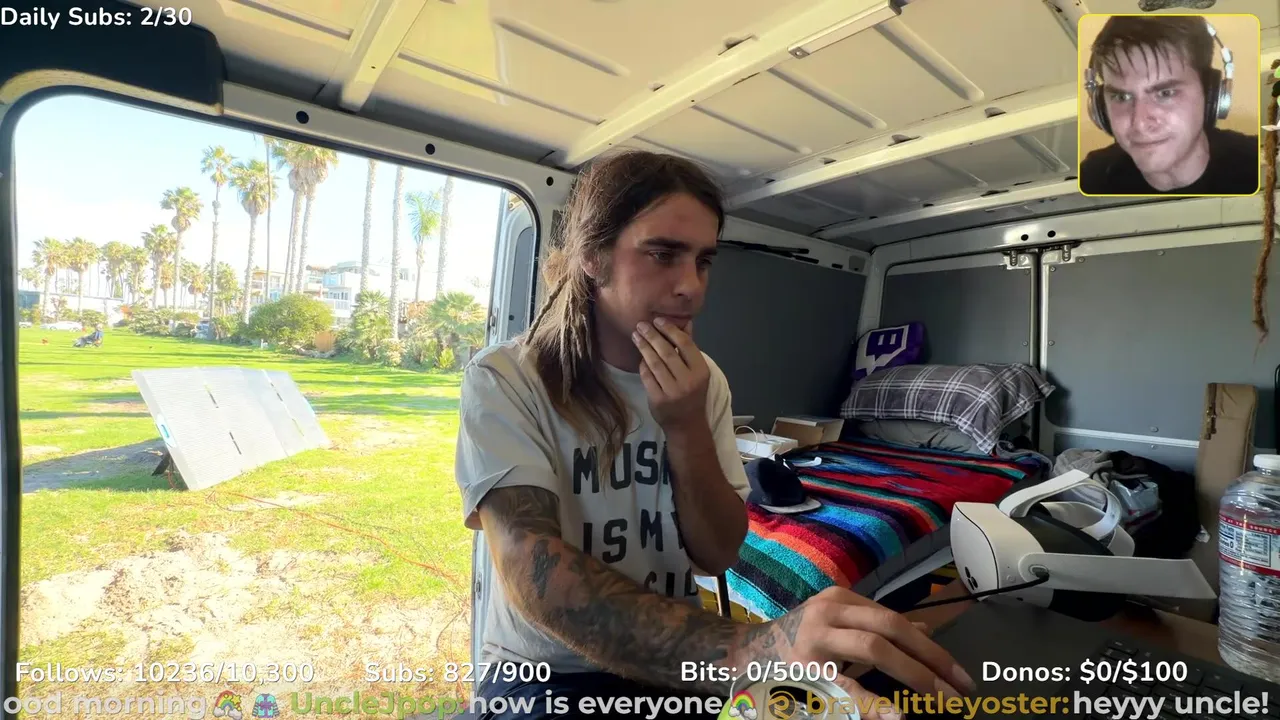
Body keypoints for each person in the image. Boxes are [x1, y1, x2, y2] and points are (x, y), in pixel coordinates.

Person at [453, 150, 975, 720]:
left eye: (703, 261)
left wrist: (686, 427)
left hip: (678, 661)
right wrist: (745, 649)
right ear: (592, 257)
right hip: (544, 676)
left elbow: (716, 553)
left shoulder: (706, 380)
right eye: (663, 254)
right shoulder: (506, 378)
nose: (691, 287)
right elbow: (531, 568)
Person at [1079, 15, 1258, 196]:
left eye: (1165, 93)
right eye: (1121, 97)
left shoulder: (1259, 165)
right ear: (1099, 108)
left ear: (1211, 95)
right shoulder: (1092, 178)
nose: (1140, 123)